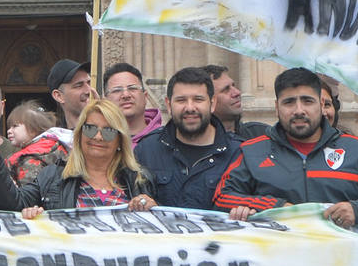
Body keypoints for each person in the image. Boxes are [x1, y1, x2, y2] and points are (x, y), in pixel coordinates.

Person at [213, 67, 358, 235]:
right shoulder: (252, 151)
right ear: (276, 107)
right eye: (289, 102)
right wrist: (277, 207)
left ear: (322, 105)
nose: (299, 110)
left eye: (307, 101)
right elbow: (222, 197)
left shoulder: (357, 149)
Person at [0, 98, 155, 217]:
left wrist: (154, 209)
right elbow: (13, 203)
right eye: (90, 129)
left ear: (120, 139)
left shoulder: (140, 180)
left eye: (109, 131)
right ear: (79, 135)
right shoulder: (52, 177)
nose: (98, 137)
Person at [133, 66, 241, 210]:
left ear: (212, 103)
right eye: (181, 100)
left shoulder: (238, 153)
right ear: (168, 105)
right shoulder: (146, 150)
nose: (190, 108)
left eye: (198, 99)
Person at [202, 63, 270, 141]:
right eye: (226, 90)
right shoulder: (198, 143)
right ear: (209, 101)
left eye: (233, 86)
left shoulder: (262, 134)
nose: (237, 92)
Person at [4, 103, 64, 185]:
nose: (9, 131)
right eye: (9, 127)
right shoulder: (56, 148)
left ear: (33, 130)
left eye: (15, 126)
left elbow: (28, 194)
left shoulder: (30, 160)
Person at [103, 62, 162, 144]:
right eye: (117, 90)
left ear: (145, 97)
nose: (126, 95)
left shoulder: (166, 140)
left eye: (132, 88)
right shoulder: (98, 142)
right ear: (106, 101)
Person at [46, 58, 94, 129]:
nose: (89, 90)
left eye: (89, 83)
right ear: (59, 96)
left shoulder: (111, 130)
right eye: (79, 85)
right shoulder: (55, 138)